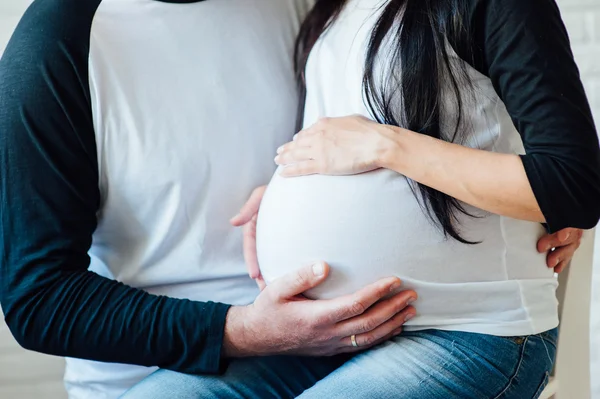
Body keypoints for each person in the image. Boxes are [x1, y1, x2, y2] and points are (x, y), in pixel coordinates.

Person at [0, 0, 587, 398]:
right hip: (220, 348)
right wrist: (249, 326)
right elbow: (39, 300)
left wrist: (542, 197)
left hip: (435, 327)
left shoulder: (299, 7)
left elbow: (551, 165)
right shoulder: (56, 45)